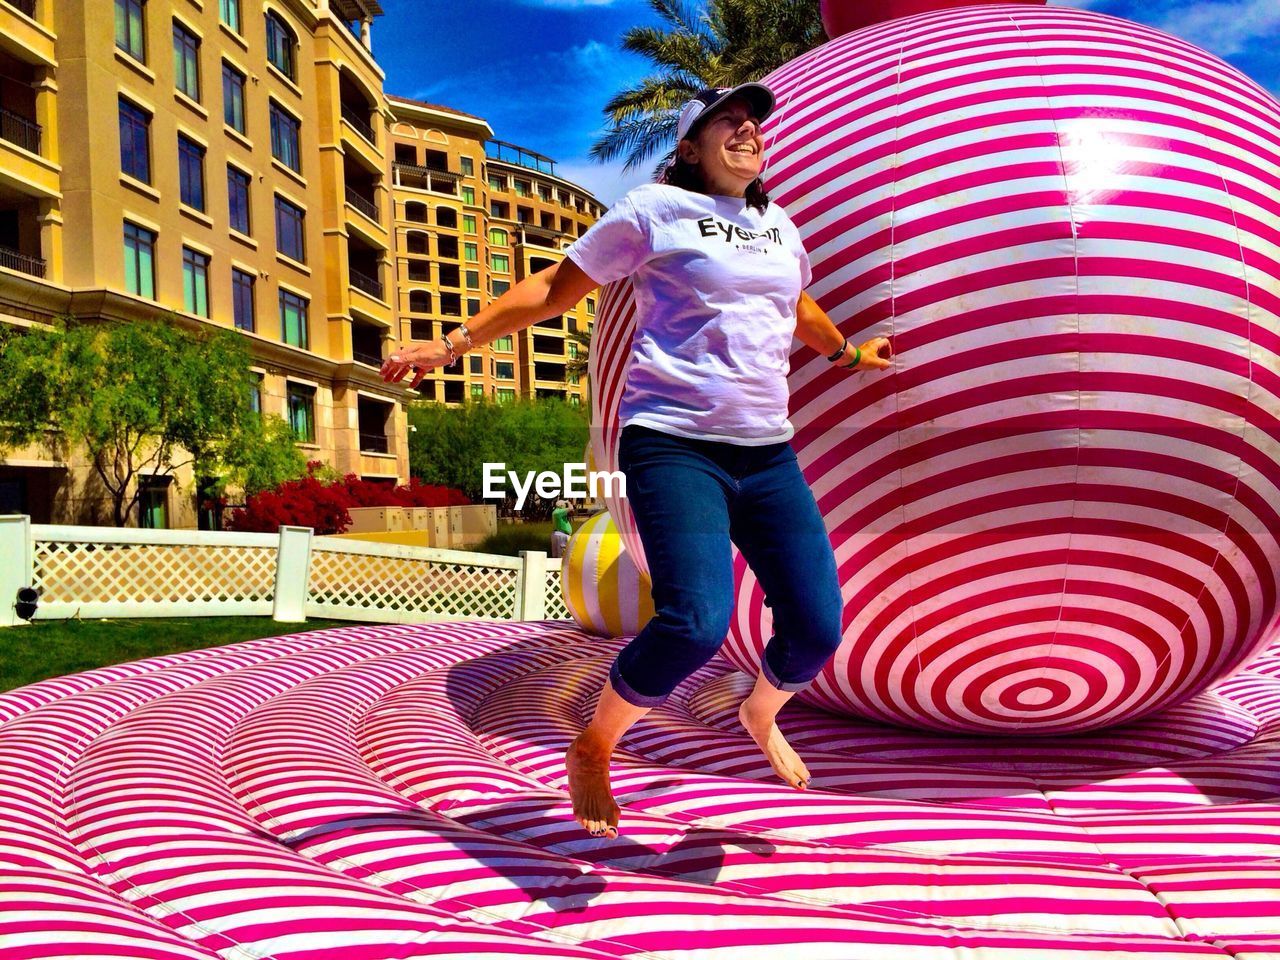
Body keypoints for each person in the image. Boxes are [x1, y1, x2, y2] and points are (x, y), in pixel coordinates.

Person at [382, 82, 892, 841]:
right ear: (691, 146)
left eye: (753, 121)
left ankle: (760, 713)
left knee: (817, 629)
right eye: (729, 120)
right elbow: (552, 289)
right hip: (674, 442)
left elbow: (797, 309)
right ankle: (594, 745)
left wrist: (849, 354)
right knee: (692, 622)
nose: (748, 128)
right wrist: (450, 344)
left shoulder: (777, 225)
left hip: (767, 453)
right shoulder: (654, 209)